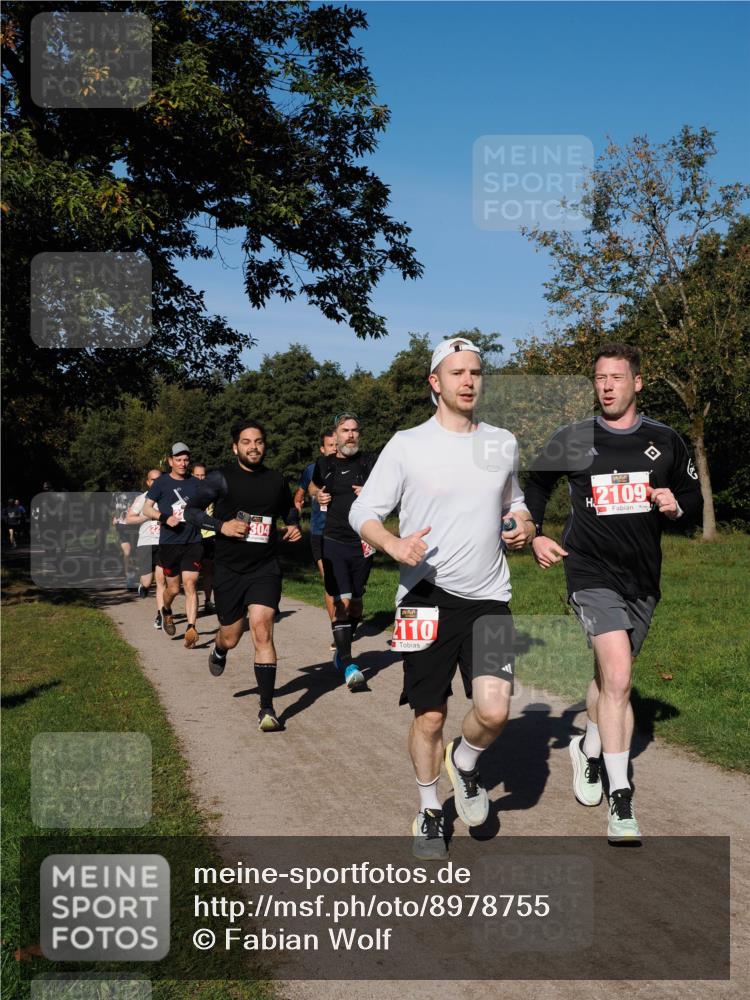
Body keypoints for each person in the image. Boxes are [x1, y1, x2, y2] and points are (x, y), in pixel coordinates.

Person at [349, 336, 534, 859]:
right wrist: (391, 544)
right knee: (429, 716)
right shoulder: (407, 445)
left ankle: (466, 761)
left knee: (494, 711)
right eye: (457, 373)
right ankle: (430, 808)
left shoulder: (501, 441)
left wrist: (522, 523)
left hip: (489, 595)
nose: (468, 381)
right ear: (435, 382)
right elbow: (362, 512)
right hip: (424, 595)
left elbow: (515, 500)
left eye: (475, 372)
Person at [524, 343, 703, 845]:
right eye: (600, 378)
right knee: (620, 675)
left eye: (616, 378)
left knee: (609, 679)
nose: (606, 387)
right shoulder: (573, 437)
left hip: (642, 578)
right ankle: (621, 798)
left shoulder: (665, 439)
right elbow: (535, 484)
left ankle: (588, 747)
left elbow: (692, 498)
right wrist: (536, 532)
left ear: (637, 382)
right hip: (589, 571)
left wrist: (674, 504)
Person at [182, 420, 302, 732]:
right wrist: (220, 526)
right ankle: (219, 648)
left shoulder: (276, 480)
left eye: (258, 441)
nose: (253, 447)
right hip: (229, 570)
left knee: (262, 629)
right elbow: (190, 512)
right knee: (232, 635)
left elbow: (289, 510)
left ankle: (267, 708)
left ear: (265, 445)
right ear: (235, 447)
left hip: (265, 567)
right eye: (246, 442)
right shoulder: (220, 478)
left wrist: (293, 525)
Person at [310, 414, 377, 690]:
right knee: (341, 603)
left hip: (363, 540)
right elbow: (313, 486)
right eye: (345, 430)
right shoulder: (324, 464)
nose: (350, 435)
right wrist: (317, 495)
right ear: (335, 436)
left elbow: (392, 491)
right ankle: (349, 663)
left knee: (356, 603)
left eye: (354, 430)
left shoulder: (370, 463)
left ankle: (342, 649)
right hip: (334, 540)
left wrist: (371, 492)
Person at [142, 444, 204, 648]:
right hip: (170, 542)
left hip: (193, 541)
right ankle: (166, 610)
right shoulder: (161, 482)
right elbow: (146, 509)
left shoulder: (196, 483)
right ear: (170, 461)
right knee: (174, 588)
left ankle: (191, 628)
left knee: (191, 584)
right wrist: (164, 518)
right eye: (178, 460)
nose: (182, 463)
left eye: (186, 460)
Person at [294, 431, 337, 635]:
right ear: (322, 449)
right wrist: (296, 516)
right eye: (330, 445)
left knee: (350, 587)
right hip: (319, 532)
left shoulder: (351, 468)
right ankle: (337, 629)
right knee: (329, 579)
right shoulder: (312, 470)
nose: (334, 449)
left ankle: (346, 618)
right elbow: (300, 495)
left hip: (345, 532)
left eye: (337, 445)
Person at [126, 469, 166, 629]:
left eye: (159, 479)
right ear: (148, 482)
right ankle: (143, 585)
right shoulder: (141, 498)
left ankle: (161, 615)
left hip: (164, 542)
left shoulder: (168, 496)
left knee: (162, 581)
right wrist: (147, 516)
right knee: (148, 581)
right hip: (145, 543)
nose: (156, 482)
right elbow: (129, 519)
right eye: (153, 480)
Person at [192, 463, 215, 615]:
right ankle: (192, 601)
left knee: (208, 571)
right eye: (197, 475)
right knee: (191, 574)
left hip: (209, 536)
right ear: (192, 475)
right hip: (192, 537)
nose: (200, 478)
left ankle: (207, 601)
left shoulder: (212, 492)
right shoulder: (188, 492)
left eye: (203, 475)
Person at [112, 487, 140, 587]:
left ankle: (137, 574)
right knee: (128, 552)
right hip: (121, 525)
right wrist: (114, 517)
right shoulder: (116, 494)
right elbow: (114, 508)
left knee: (135, 551)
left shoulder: (139, 494)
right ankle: (129, 577)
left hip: (135, 525)